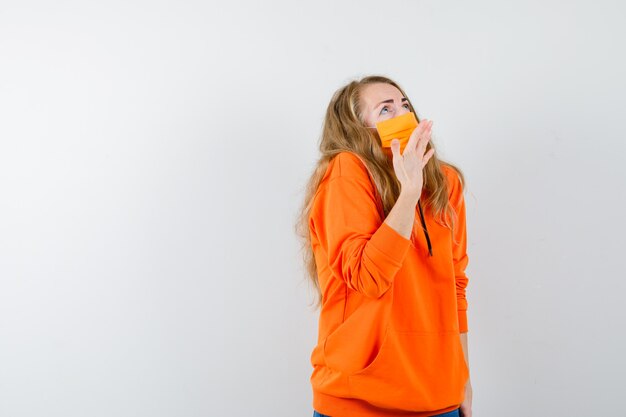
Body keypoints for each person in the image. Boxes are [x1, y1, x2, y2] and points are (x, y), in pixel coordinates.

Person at [295, 75, 473, 417]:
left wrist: (463, 377)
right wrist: (407, 194)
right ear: (355, 127)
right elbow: (368, 277)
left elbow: (456, 286)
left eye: (405, 105)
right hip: (359, 400)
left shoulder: (445, 183)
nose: (402, 114)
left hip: (439, 396)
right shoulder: (347, 173)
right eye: (385, 110)